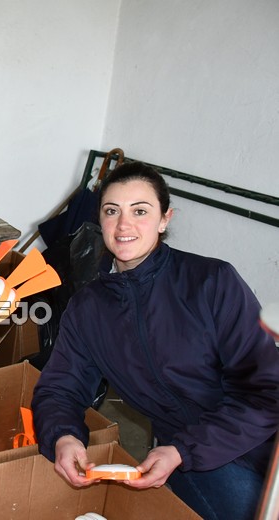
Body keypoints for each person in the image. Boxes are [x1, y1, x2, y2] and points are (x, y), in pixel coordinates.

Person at [31, 161, 279, 520]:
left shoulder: (212, 282)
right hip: (191, 458)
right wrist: (63, 437)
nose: (123, 225)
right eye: (111, 211)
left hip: (257, 437)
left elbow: (266, 391)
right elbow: (59, 389)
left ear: (164, 219)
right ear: (100, 220)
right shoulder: (88, 309)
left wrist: (183, 449)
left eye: (140, 211)